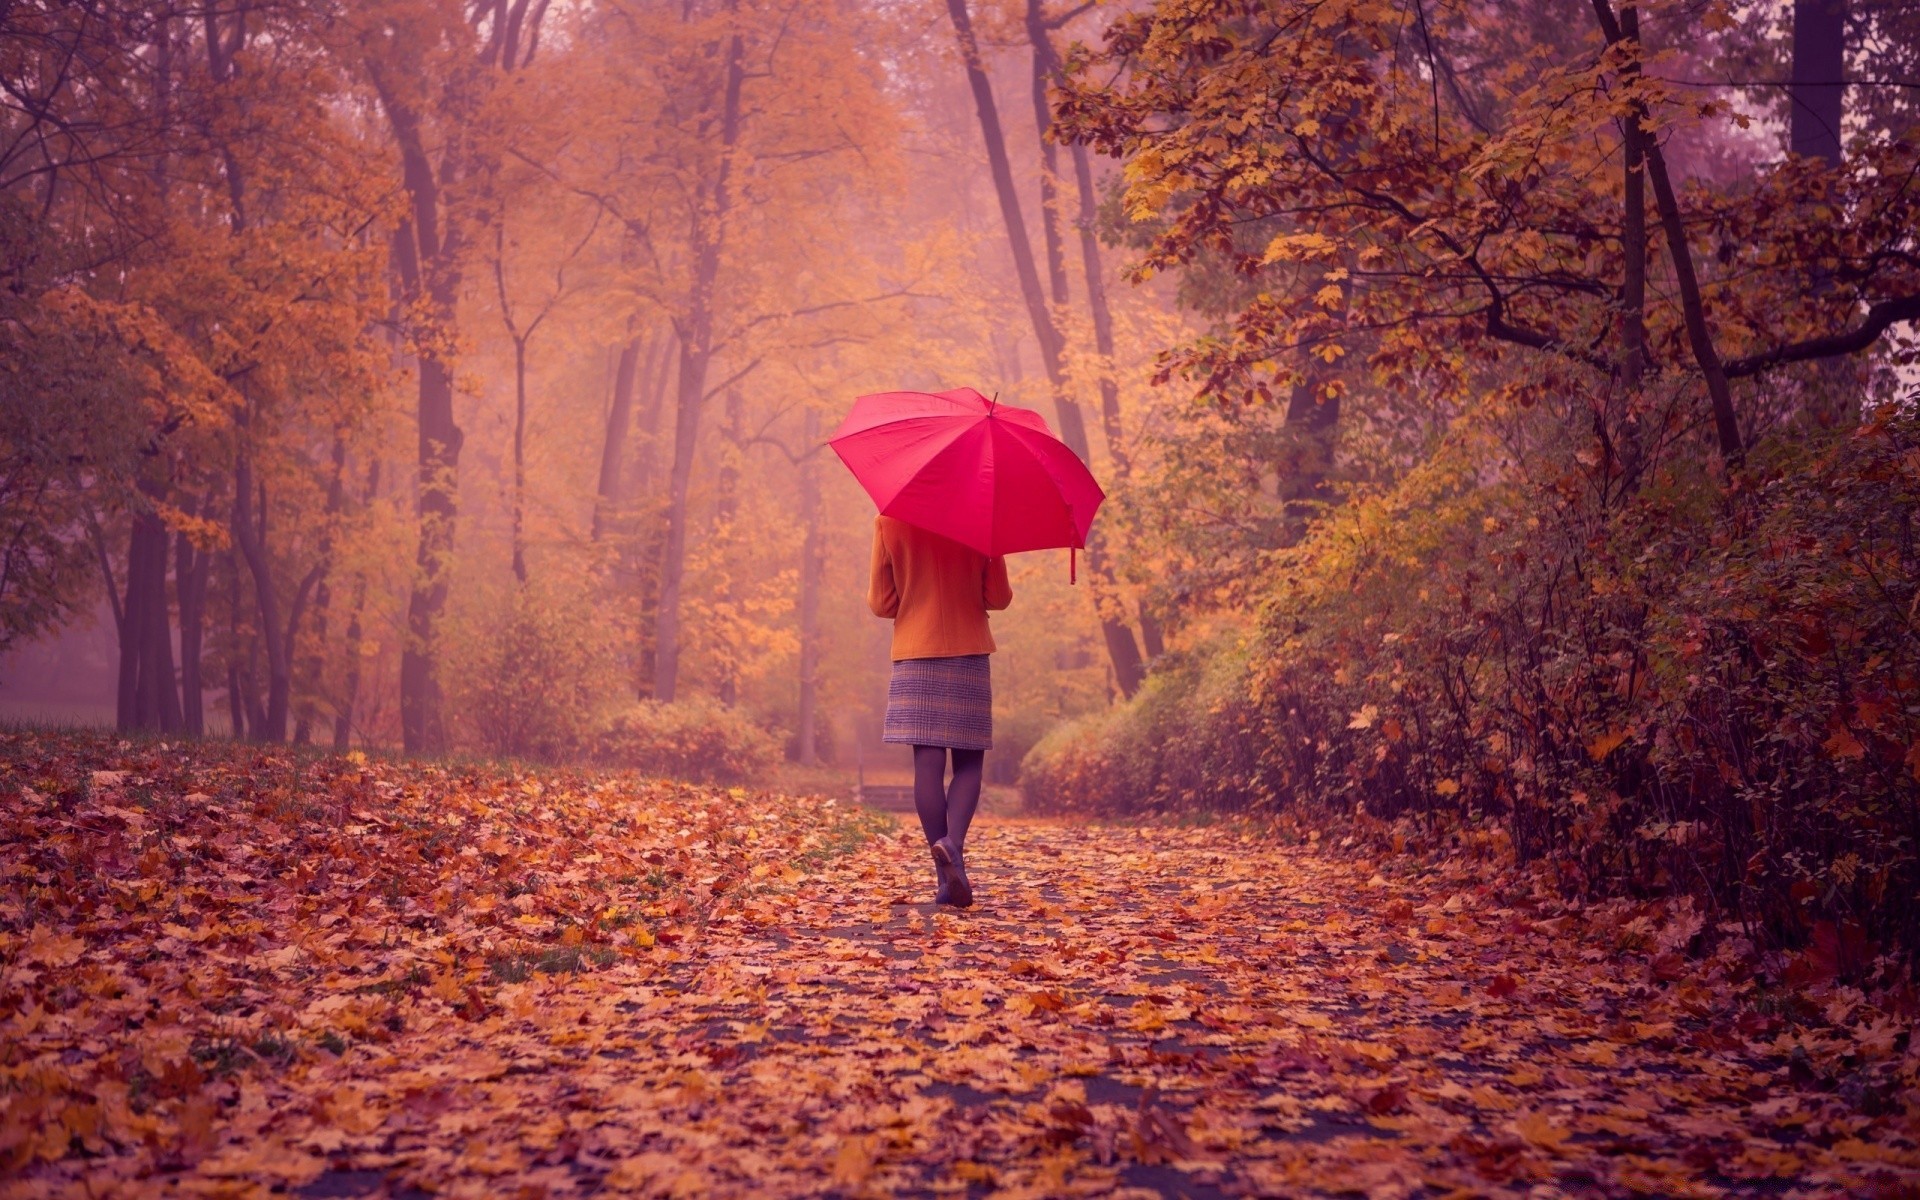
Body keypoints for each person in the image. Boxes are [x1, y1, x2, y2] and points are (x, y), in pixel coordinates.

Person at [867, 514, 1013, 907]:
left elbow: (881, 603)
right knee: (969, 762)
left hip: (916, 650)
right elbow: (999, 598)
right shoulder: (981, 517)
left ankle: (946, 879)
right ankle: (953, 847)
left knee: (927, 765)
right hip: (968, 648)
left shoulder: (889, 520)